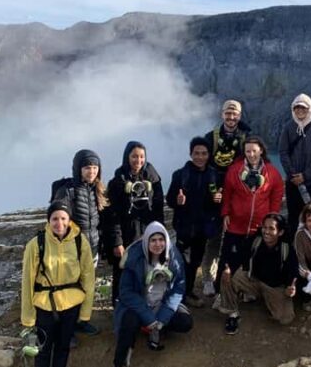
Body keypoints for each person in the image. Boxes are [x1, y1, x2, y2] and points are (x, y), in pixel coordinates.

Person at [21, 201, 95, 367]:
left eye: (63, 218)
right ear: (49, 220)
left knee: (64, 345)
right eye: (55, 218)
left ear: (69, 220)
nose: (59, 223)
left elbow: (88, 277)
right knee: (44, 349)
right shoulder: (37, 244)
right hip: (45, 305)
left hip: (71, 303)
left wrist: (85, 311)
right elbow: (27, 281)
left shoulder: (81, 242)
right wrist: (28, 317)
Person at [111, 221, 193, 367]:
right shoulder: (134, 259)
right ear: (146, 241)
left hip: (161, 304)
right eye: (153, 240)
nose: (158, 244)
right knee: (129, 322)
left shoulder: (173, 257)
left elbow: (179, 287)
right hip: (139, 306)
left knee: (185, 322)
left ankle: (156, 329)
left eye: (161, 240)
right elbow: (125, 292)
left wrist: (162, 317)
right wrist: (148, 316)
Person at [51, 148, 108, 335]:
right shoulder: (67, 191)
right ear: (78, 169)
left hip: (91, 250)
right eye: (87, 168)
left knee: (86, 287)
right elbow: (58, 222)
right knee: (69, 289)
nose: (91, 172)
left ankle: (81, 321)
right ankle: (66, 329)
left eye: (94, 167)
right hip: (72, 252)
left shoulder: (97, 191)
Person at [218, 136, 283, 295]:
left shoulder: (272, 172)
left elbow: (276, 194)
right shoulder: (235, 170)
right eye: (248, 151)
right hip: (235, 225)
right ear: (244, 152)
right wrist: (225, 213)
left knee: (250, 260)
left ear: (261, 150)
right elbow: (227, 193)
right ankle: (221, 292)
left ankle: (244, 290)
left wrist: (272, 217)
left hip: (258, 227)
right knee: (228, 259)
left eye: (254, 150)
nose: (251, 154)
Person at [105, 141, 165, 305]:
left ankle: (143, 303)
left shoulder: (153, 180)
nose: (138, 160)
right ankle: (119, 304)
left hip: (147, 234)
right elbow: (113, 215)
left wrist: (160, 236)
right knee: (122, 270)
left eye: (141, 156)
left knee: (146, 269)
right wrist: (117, 241)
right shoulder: (117, 182)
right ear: (127, 157)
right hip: (126, 235)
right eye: (134, 156)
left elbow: (158, 209)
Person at [201, 99, 251, 296]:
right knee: (213, 237)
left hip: (236, 194)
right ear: (222, 114)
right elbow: (203, 164)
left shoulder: (247, 137)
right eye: (228, 113)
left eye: (235, 113)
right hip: (215, 195)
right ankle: (207, 277)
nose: (231, 117)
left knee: (236, 237)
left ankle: (237, 278)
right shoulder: (210, 137)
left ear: (239, 115)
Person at [166, 137, 222, 307]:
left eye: (204, 153)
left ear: (208, 155)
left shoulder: (214, 176)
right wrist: (178, 201)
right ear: (190, 154)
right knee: (178, 262)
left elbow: (216, 203)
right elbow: (169, 200)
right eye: (196, 153)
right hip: (184, 227)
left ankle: (187, 292)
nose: (200, 157)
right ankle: (175, 293)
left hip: (202, 228)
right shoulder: (180, 175)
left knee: (195, 261)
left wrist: (218, 199)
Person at [220, 213, 298, 334]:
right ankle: (232, 314)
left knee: (285, 318)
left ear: (280, 232)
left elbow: (293, 271)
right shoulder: (255, 240)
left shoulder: (286, 249)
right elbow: (239, 255)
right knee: (227, 276)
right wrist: (228, 268)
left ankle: (266, 300)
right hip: (254, 280)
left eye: (271, 228)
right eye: (264, 227)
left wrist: (290, 287)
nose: (266, 231)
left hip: (274, 287)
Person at [279, 93, 311, 240]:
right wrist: (293, 175)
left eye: (303, 108)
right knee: (293, 216)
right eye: (297, 108)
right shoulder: (288, 128)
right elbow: (283, 152)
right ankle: (293, 248)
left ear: (310, 109)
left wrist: (305, 176)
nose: (300, 111)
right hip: (293, 182)